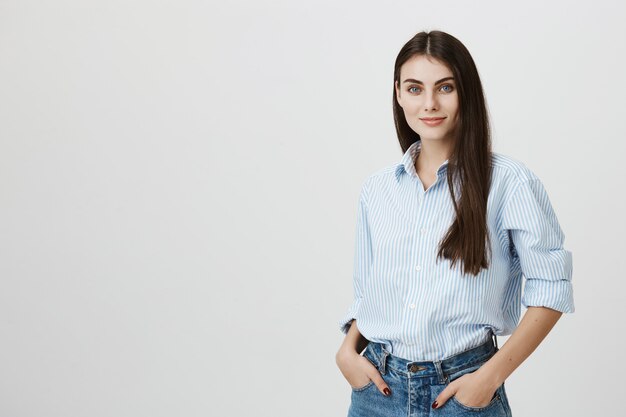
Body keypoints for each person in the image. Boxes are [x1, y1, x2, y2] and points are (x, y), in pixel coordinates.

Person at [335, 30, 574, 417]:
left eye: (444, 87)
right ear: (398, 94)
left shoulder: (510, 182)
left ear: (466, 92)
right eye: (415, 89)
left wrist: (490, 377)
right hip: (376, 392)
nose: (429, 103)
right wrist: (347, 351)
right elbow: (371, 291)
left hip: (463, 391)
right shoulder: (377, 189)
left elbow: (552, 288)